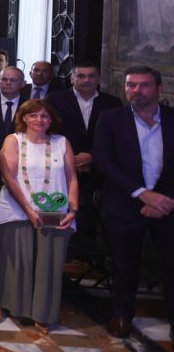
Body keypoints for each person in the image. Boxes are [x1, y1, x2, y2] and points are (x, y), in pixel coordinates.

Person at [93, 66, 174, 340]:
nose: (136, 91)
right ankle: (122, 315)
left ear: (159, 88)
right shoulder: (111, 119)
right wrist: (142, 193)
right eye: (131, 85)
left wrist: (165, 199)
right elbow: (103, 160)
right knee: (124, 265)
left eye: (143, 85)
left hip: (167, 205)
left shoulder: (172, 119)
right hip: (125, 204)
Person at [0, 99, 78, 330]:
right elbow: (8, 177)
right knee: (16, 261)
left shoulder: (61, 142)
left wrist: (73, 209)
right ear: (24, 118)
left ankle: (42, 312)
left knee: (48, 263)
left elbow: (72, 177)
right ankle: (7, 305)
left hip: (54, 210)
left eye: (44, 116)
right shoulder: (13, 140)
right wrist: (28, 210)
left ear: (51, 120)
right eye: (33, 115)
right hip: (17, 209)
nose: (39, 120)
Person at [47, 63, 122, 244]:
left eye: (91, 76)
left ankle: (90, 250)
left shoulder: (112, 103)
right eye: (81, 76)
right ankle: (63, 251)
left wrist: (92, 156)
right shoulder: (55, 99)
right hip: (62, 165)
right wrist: (70, 158)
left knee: (93, 216)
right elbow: (48, 131)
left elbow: (117, 137)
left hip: (98, 169)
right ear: (72, 78)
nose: (86, 80)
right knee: (61, 211)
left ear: (98, 79)